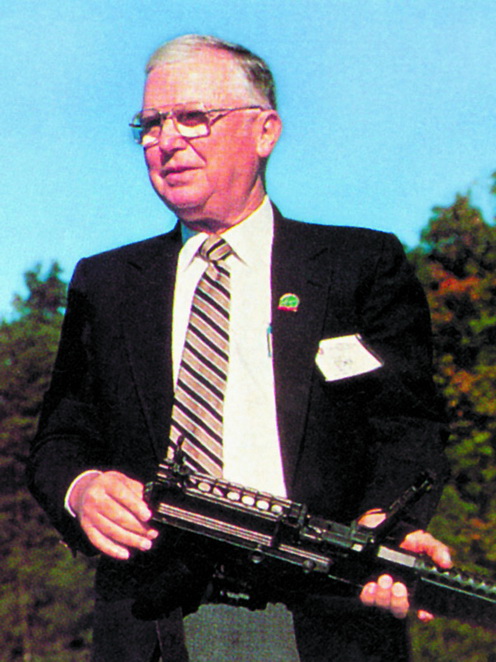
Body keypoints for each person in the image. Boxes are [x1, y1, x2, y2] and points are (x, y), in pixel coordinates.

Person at [28, 35, 451, 661]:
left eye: (193, 117)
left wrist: (385, 526)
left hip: (321, 619)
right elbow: (60, 438)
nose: (167, 140)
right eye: (150, 124)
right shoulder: (107, 283)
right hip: (153, 621)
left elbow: (407, 425)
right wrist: (84, 487)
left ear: (265, 131)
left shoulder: (359, 265)